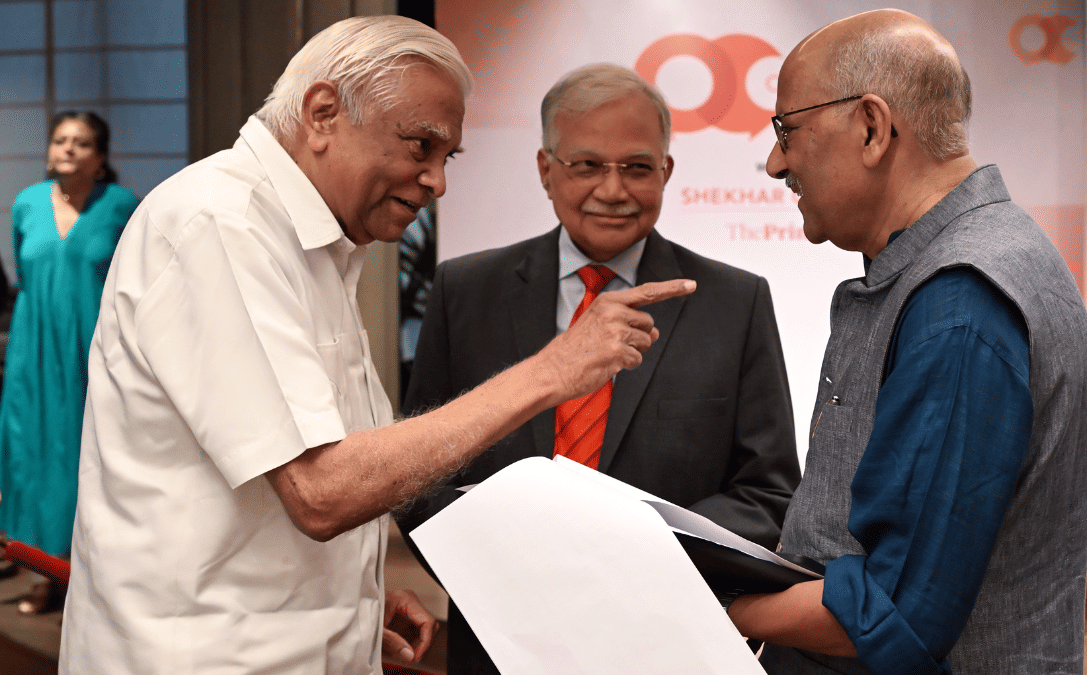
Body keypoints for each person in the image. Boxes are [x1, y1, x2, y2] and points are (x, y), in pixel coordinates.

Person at [59, 17, 693, 675]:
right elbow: (322, 489)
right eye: (421, 145)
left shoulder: (312, 243)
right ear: (323, 112)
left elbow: (275, 485)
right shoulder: (218, 224)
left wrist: (355, 595)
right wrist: (551, 371)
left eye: (447, 158)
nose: (437, 181)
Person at [397, 63, 801, 675]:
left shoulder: (735, 301)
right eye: (586, 165)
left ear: (665, 172)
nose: (612, 190)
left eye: (637, 168)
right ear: (545, 170)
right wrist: (494, 568)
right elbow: (418, 474)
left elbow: (768, 492)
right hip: (502, 636)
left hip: (669, 639)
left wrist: (628, 553)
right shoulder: (465, 290)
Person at [726, 9, 1087, 675]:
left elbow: (895, 609)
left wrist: (721, 606)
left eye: (787, 129)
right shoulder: (969, 263)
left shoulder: (960, 303)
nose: (777, 160)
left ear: (871, 127)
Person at [0, 111, 138, 614]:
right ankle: (42, 571)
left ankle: (95, 576)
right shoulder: (27, 204)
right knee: (33, 456)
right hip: (32, 351)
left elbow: (139, 277)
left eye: (81, 143)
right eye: (61, 140)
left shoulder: (123, 206)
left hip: (95, 350)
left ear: (101, 158)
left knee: (89, 458)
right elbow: (26, 272)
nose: (69, 149)